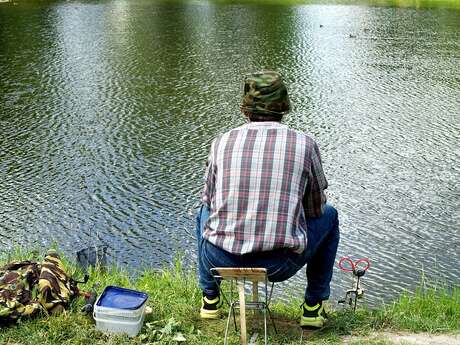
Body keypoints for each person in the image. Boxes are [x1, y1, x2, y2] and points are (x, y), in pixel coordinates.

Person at [196, 71, 339, 328]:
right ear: (284, 107)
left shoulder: (221, 142)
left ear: (245, 109)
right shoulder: (305, 145)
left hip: (219, 260)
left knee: (202, 211)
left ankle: (210, 298)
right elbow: (316, 209)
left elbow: (209, 199)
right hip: (277, 265)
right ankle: (313, 308)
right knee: (330, 216)